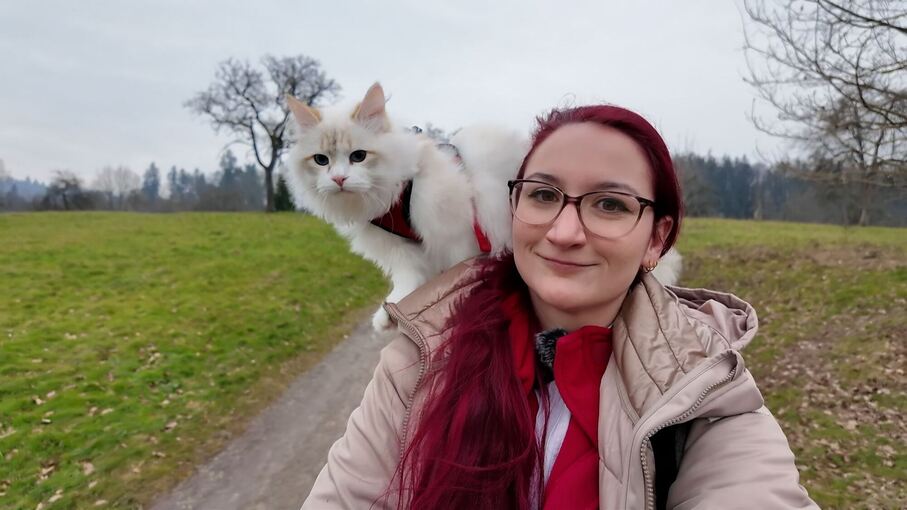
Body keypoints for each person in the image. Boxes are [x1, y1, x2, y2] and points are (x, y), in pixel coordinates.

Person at [301, 105, 818, 509]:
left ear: (657, 239)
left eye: (610, 204)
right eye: (544, 195)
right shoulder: (417, 362)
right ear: (512, 206)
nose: (565, 232)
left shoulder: (704, 392)